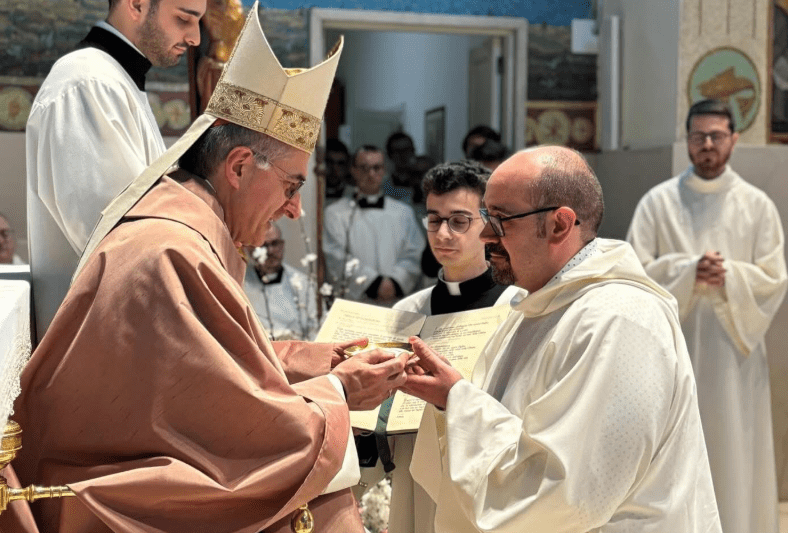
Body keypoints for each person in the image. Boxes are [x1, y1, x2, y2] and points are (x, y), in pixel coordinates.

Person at [0, 6, 410, 532]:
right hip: (110, 460)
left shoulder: (191, 225)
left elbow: (194, 361)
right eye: (291, 186)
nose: (295, 212)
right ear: (238, 167)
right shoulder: (173, 246)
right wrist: (340, 392)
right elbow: (222, 410)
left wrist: (302, 359)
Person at [401, 145, 722, 532]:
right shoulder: (534, 306)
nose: (485, 235)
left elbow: (566, 494)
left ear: (559, 224)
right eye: (487, 216)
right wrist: (446, 401)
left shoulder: (618, 319)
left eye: (501, 220)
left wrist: (457, 399)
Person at [627, 99, 787, 533]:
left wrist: (729, 274)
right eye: (698, 137)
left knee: (736, 449)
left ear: (734, 139)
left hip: (735, 354)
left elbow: (774, 278)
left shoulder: (757, 206)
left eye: (717, 136)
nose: (708, 145)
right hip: (675, 352)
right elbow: (634, 272)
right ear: (687, 140)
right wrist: (687, 271)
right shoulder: (658, 203)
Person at [26, 0, 205, 341]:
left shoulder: (114, 81)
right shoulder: (88, 82)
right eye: (184, 19)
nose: (195, 37)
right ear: (136, 4)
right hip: (93, 352)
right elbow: (119, 244)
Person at [385, 160, 523, 533]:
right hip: (414, 463)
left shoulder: (516, 307)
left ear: (486, 224)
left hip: (483, 466)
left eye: (459, 220)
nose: (443, 233)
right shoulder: (407, 312)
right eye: (434, 219)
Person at [323, 145, 424, 304]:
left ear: (384, 171)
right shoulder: (335, 213)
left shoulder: (403, 212)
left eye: (376, 168)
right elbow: (336, 257)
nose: (371, 174)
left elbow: (414, 253)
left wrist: (395, 282)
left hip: (396, 300)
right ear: (353, 170)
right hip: (356, 302)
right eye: (364, 168)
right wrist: (373, 283)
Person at [244, 223, 319, 341]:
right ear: (249, 249)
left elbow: (315, 329)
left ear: (282, 245)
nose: (270, 251)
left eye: (275, 243)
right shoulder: (239, 282)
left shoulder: (304, 283)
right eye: (263, 245)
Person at [384, 131, 418, 203]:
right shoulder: (383, 186)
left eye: (406, 150)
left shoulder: (424, 183)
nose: (403, 155)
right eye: (397, 151)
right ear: (389, 155)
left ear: (413, 151)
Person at [325, 138, 352, 202]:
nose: (335, 168)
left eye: (340, 163)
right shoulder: (312, 193)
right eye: (330, 162)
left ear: (347, 166)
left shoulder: (353, 194)